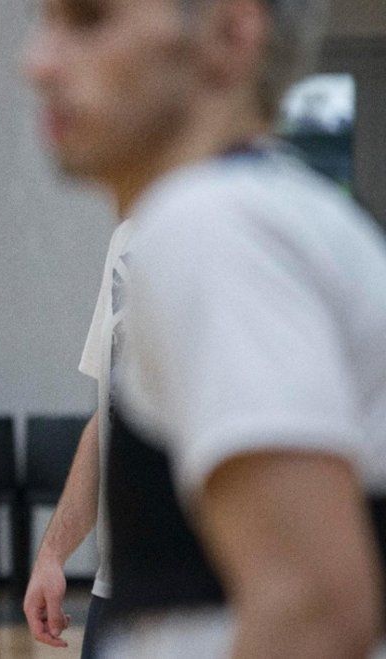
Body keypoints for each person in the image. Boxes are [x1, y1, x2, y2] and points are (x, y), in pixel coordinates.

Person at [26, 0, 386, 656]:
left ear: (230, 33)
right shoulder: (247, 214)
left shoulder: (215, 228)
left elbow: (313, 613)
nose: (38, 63)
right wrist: (56, 548)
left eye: (90, 20)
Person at [23, 217, 133, 657]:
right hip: (120, 588)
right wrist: (52, 554)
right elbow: (109, 420)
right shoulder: (127, 237)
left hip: (206, 600)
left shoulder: (242, 232)